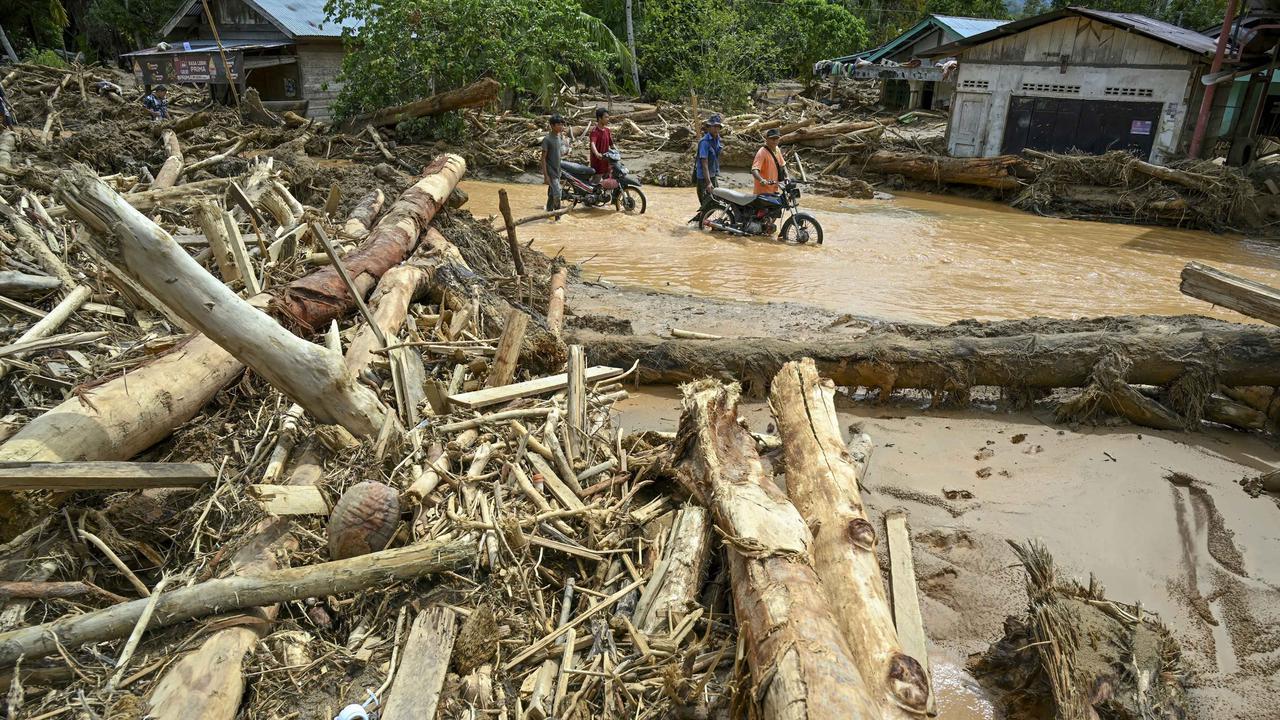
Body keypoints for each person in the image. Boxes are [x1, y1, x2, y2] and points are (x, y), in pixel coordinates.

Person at [694, 114, 724, 210]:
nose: (716, 129)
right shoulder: (704, 143)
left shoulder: (717, 139)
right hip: (704, 178)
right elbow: (704, 164)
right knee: (707, 205)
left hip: (713, 174)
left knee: (717, 200)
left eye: (718, 127)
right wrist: (708, 183)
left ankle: (702, 220)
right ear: (709, 127)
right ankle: (700, 222)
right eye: (714, 126)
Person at [541, 114, 566, 213]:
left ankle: (548, 211)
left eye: (561, 124)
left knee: (552, 193)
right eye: (558, 124)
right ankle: (557, 216)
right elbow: (543, 159)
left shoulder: (559, 137)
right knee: (557, 193)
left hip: (558, 170)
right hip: (551, 171)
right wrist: (545, 176)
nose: (561, 126)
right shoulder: (547, 139)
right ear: (552, 125)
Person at [751, 128, 787, 196]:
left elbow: (783, 165)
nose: (775, 141)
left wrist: (787, 177)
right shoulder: (762, 152)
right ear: (766, 139)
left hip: (774, 189)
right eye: (772, 139)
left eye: (776, 139)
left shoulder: (777, 150)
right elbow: (754, 170)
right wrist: (761, 180)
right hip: (762, 191)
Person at [588, 107, 614, 180]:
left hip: (607, 162)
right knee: (596, 184)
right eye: (606, 117)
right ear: (599, 118)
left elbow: (612, 144)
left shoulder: (607, 130)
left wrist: (616, 152)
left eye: (608, 117)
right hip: (598, 163)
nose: (608, 119)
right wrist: (596, 153)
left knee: (608, 182)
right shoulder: (594, 131)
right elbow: (592, 143)